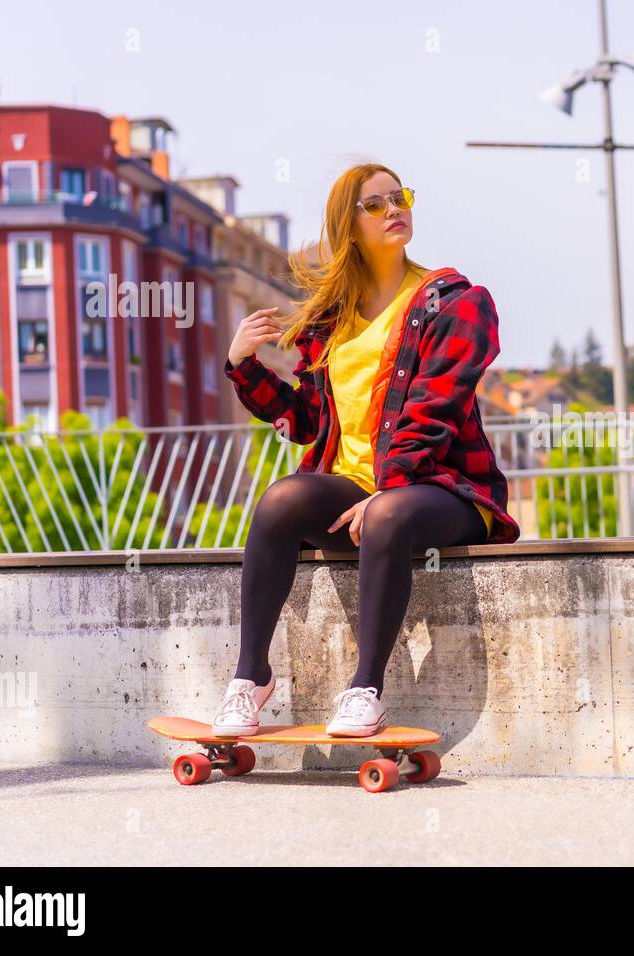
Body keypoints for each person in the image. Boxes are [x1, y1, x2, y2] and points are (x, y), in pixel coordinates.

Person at [211, 162, 519, 738]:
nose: (394, 210)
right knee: (280, 500)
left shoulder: (453, 302)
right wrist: (242, 366)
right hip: (362, 494)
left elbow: (435, 413)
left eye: (398, 197)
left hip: (441, 490)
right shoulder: (333, 322)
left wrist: (387, 489)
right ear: (347, 226)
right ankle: (250, 678)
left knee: (387, 510)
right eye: (375, 204)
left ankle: (366, 689)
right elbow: (306, 421)